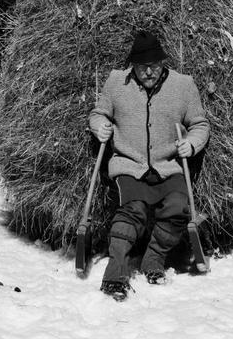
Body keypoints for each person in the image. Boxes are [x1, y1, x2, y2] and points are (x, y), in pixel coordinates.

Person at [89, 29, 210, 301]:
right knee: (133, 212)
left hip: (167, 166)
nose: (148, 73)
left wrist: (190, 144)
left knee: (179, 209)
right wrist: (100, 127)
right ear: (133, 65)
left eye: (154, 66)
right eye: (142, 67)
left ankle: (153, 260)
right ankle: (114, 275)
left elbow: (200, 124)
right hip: (129, 165)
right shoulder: (115, 82)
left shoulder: (183, 85)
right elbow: (98, 114)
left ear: (162, 62)